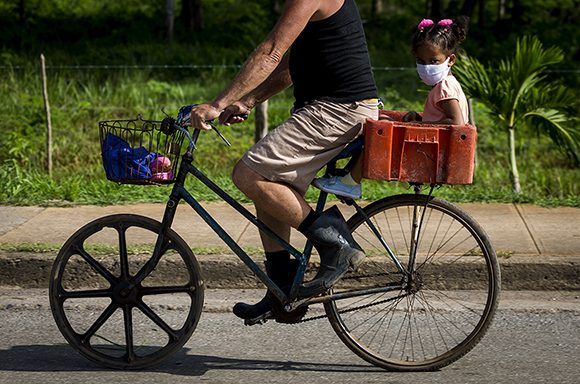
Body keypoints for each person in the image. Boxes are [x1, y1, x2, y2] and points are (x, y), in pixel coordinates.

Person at [188, 0, 379, 322]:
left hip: (339, 110)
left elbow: (271, 51)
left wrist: (217, 104)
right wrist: (248, 100)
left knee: (249, 174)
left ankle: (336, 245)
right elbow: (291, 64)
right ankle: (282, 289)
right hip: (330, 108)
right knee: (270, 186)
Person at [314, 16, 470, 199]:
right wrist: (418, 119)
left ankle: (350, 182)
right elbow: (441, 118)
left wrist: (417, 126)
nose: (426, 67)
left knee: (376, 138)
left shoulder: (445, 87)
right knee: (382, 125)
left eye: (433, 61)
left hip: (430, 152)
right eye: (421, 61)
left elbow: (456, 122)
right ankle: (348, 176)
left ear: (450, 60)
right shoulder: (447, 84)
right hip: (430, 147)